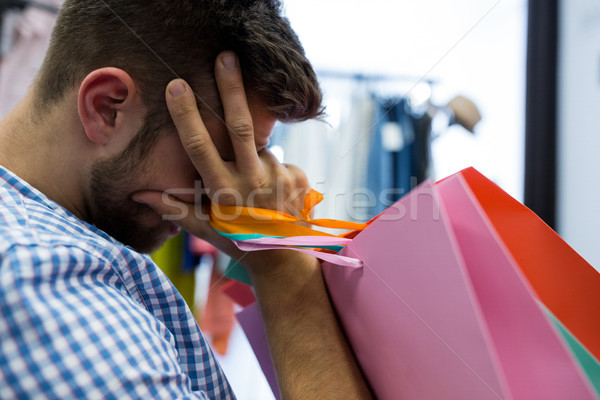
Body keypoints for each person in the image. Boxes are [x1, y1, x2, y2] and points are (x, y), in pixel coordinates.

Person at [0, 0, 372, 399]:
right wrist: (280, 265)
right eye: (217, 158)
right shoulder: (43, 282)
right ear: (106, 108)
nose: (222, 192)